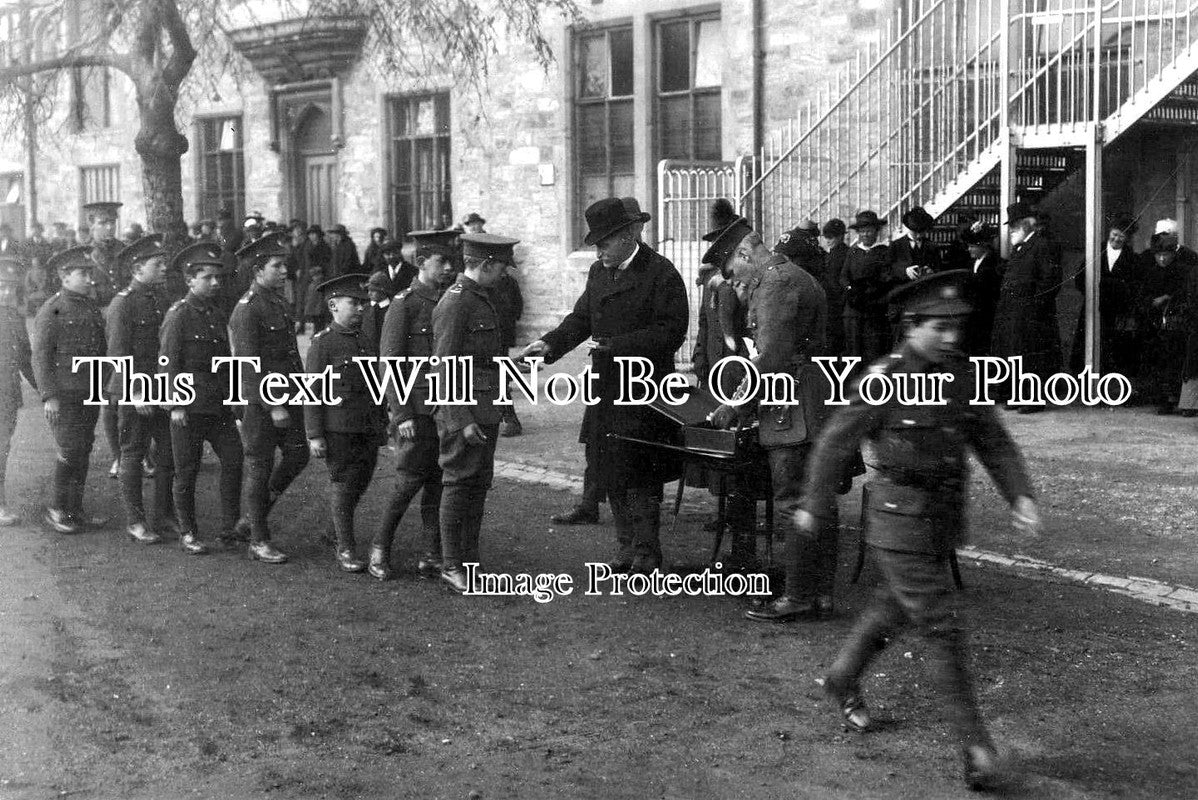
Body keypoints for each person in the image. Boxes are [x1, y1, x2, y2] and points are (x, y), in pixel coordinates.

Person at [797, 269, 1042, 791]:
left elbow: (991, 439)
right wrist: (815, 503)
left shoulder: (959, 376)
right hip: (898, 522)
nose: (951, 337)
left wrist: (1019, 493)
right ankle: (977, 750)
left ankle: (842, 678)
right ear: (910, 326)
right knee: (940, 625)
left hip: (941, 521)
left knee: (894, 608)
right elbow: (835, 441)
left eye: (956, 327)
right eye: (939, 327)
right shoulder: (883, 378)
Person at [524, 198, 688, 573]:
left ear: (630, 235)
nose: (599, 252)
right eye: (596, 245)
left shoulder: (661, 273)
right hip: (606, 388)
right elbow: (581, 318)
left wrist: (617, 345)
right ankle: (625, 548)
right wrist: (550, 343)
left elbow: (672, 331)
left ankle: (647, 552)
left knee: (641, 471)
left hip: (643, 388)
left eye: (605, 243)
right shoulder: (600, 271)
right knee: (610, 466)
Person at [708, 230, 839, 617]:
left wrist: (734, 405)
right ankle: (820, 593)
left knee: (791, 501)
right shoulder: (796, 275)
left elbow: (771, 359)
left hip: (791, 407)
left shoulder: (774, 285)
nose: (735, 282)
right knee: (818, 500)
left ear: (745, 254)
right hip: (812, 398)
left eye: (733, 272)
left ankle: (797, 597)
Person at [431, 233, 520, 592]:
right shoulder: (456, 302)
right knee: (458, 484)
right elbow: (443, 366)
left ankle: (470, 560)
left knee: (478, 484)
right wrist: (462, 420)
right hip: (465, 412)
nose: (504, 274)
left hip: (486, 407)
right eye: (501, 267)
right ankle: (451, 565)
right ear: (486, 264)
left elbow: (484, 359)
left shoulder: (481, 296)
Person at [370, 231, 457, 580]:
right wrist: (401, 412)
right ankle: (379, 547)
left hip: (444, 407)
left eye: (452, 261)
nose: (449, 268)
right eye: (442, 262)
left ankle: (431, 554)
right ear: (421, 263)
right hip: (416, 411)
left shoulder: (449, 299)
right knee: (407, 482)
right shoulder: (404, 303)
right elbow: (389, 363)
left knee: (438, 481)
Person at [228, 236, 310, 564]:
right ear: (258, 270)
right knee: (260, 467)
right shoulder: (247, 309)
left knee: (298, 454)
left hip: (288, 394)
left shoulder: (276, 302)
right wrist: (273, 404)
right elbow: (248, 365)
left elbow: (290, 354)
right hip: (261, 404)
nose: (284, 271)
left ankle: (253, 516)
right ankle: (258, 540)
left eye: (284, 265)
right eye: (277, 266)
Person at [158, 255, 243, 555]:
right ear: (190, 280)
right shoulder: (178, 315)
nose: (215, 283)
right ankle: (188, 532)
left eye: (218, 277)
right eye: (207, 277)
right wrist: (175, 404)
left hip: (218, 405)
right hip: (189, 408)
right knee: (186, 471)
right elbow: (167, 362)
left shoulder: (216, 314)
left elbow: (226, 362)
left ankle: (230, 528)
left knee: (234, 460)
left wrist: (234, 399)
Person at [305, 273, 385, 573]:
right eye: (354, 302)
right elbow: (312, 391)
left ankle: (334, 532)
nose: (362, 308)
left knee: (361, 480)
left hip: (366, 426)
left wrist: (381, 421)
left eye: (363, 302)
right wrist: (314, 434)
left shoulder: (364, 340)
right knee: (343, 484)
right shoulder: (323, 343)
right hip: (337, 427)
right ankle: (345, 548)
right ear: (333, 305)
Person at [106, 235, 177, 545]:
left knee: (168, 453)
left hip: (161, 387)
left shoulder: (160, 298)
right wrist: (136, 393)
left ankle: (164, 515)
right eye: (156, 264)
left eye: (163, 263)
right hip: (135, 390)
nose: (163, 268)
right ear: (137, 269)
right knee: (133, 454)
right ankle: (135, 520)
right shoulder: (123, 303)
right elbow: (118, 354)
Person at [33, 246, 108, 534]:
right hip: (64, 395)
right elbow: (41, 357)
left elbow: (100, 349)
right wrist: (49, 396)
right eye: (82, 274)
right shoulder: (51, 309)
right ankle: (57, 508)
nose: (89, 279)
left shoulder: (90, 306)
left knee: (83, 448)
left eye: (90, 273)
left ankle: (75, 509)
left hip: (89, 391)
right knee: (69, 448)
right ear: (64, 277)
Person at [990, 202, 1063, 412]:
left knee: (1032, 357)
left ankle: (1033, 399)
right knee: (1017, 355)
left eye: (1014, 226)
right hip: (1015, 314)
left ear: (1025, 225)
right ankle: (1019, 396)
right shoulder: (1019, 247)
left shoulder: (1041, 245)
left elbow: (1050, 280)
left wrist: (1034, 307)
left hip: (1032, 315)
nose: (1011, 230)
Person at [1070, 215, 1141, 377]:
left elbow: (1133, 286)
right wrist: (1094, 294)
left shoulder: (1132, 258)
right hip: (1093, 307)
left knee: (1112, 353)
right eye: (1114, 234)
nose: (1116, 239)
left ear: (1127, 238)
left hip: (1116, 311)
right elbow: (1080, 279)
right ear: (1109, 232)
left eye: (1121, 236)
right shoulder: (1095, 250)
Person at [1140, 219, 1198, 413]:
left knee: (1176, 361)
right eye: (1159, 255)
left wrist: (1168, 298)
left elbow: (1187, 295)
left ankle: (1175, 397)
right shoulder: (1150, 272)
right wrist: (1151, 303)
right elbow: (1142, 296)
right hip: (1155, 323)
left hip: (1177, 325)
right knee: (1157, 361)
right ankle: (1162, 399)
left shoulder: (1184, 271)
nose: (1162, 259)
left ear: (1173, 254)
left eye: (1166, 255)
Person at [0, 257, 36, 526]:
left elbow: (25, 358)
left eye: (11, 288)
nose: (6, 293)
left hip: (7, 394)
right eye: (1, 287)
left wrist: (45, 390)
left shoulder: (14, 318)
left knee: (2, 447)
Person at [840, 210, 892, 367]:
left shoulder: (883, 252)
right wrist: (851, 289)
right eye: (862, 231)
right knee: (853, 350)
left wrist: (871, 291)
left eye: (869, 231)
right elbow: (843, 276)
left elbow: (886, 277)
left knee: (873, 349)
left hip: (874, 309)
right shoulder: (853, 252)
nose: (865, 234)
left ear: (876, 232)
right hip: (853, 310)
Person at [492, 253, 525, 437]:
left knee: (500, 379)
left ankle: (511, 419)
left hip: (500, 337)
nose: (504, 272)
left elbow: (517, 305)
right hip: (494, 336)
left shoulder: (507, 283)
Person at [960, 222, 1003, 357]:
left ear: (984, 246)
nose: (969, 249)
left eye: (972, 246)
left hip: (987, 319)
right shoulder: (971, 263)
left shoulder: (996, 265)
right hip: (973, 317)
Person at [295, 224, 332, 335]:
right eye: (310, 234)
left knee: (319, 306)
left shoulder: (324, 247)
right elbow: (301, 260)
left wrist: (319, 269)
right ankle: (305, 326)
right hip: (307, 277)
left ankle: (319, 329)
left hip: (320, 278)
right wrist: (300, 270)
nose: (312, 236)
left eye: (314, 234)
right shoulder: (306, 246)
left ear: (319, 235)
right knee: (307, 303)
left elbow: (328, 262)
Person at [889, 206, 942, 283]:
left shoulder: (932, 246)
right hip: (903, 287)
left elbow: (938, 269)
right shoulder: (896, 245)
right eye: (915, 232)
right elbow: (888, 270)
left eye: (922, 232)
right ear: (909, 228)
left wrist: (931, 271)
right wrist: (905, 271)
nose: (918, 235)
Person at [821, 219, 848, 356]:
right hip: (833, 301)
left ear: (841, 236)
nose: (828, 240)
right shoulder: (831, 254)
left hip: (837, 301)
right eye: (826, 237)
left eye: (831, 237)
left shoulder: (844, 254)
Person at [361, 271, 391, 351]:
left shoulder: (393, 308)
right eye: (368, 290)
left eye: (373, 290)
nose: (369, 293)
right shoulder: (364, 308)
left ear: (383, 291)